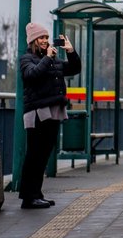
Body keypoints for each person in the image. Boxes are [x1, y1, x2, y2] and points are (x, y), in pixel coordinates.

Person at [18, 22, 81, 209]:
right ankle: (28, 197)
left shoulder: (53, 59)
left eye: (46, 37)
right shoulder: (26, 59)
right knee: (34, 155)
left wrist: (70, 51)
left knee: (43, 154)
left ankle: (36, 194)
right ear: (33, 41)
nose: (45, 41)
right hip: (38, 112)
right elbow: (32, 75)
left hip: (53, 111)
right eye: (41, 38)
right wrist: (47, 58)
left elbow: (74, 69)